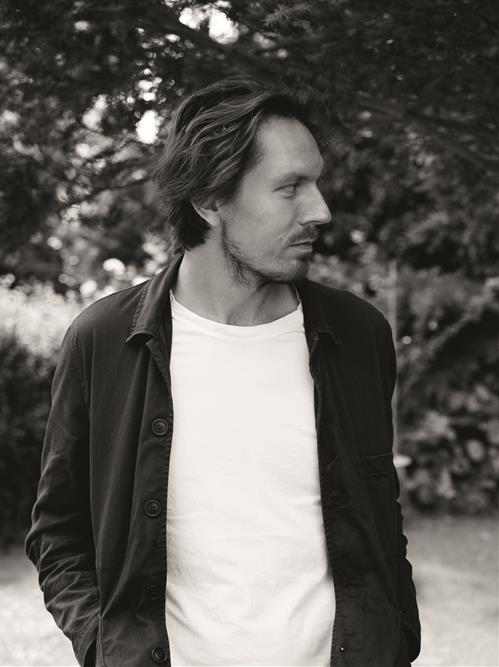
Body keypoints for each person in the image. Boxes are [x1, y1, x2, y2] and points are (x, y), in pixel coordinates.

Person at [26, 76, 421, 667]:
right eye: (290, 187)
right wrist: (103, 646)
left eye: (316, 182)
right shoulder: (104, 341)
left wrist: (397, 636)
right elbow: (59, 532)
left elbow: (379, 517)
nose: (321, 210)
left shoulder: (358, 335)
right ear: (209, 200)